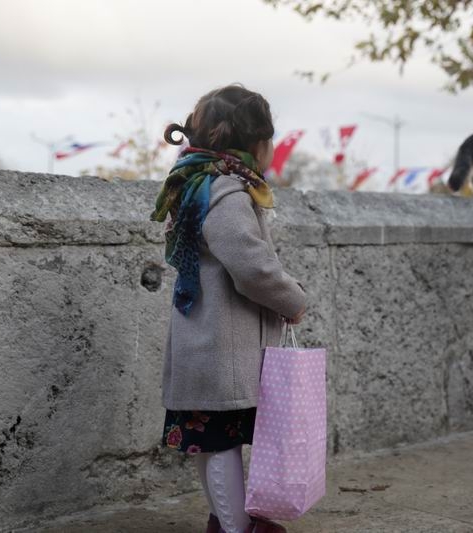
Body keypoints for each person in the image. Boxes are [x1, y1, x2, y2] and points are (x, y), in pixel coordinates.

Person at [150, 84, 307, 533]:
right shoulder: (226, 192)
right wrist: (292, 300)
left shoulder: (198, 182)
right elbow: (252, 267)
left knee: (215, 441)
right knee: (221, 442)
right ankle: (236, 527)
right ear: (254, 143)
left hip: (209, 340)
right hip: (222, 348)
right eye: (269, 139)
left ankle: (228, 521)